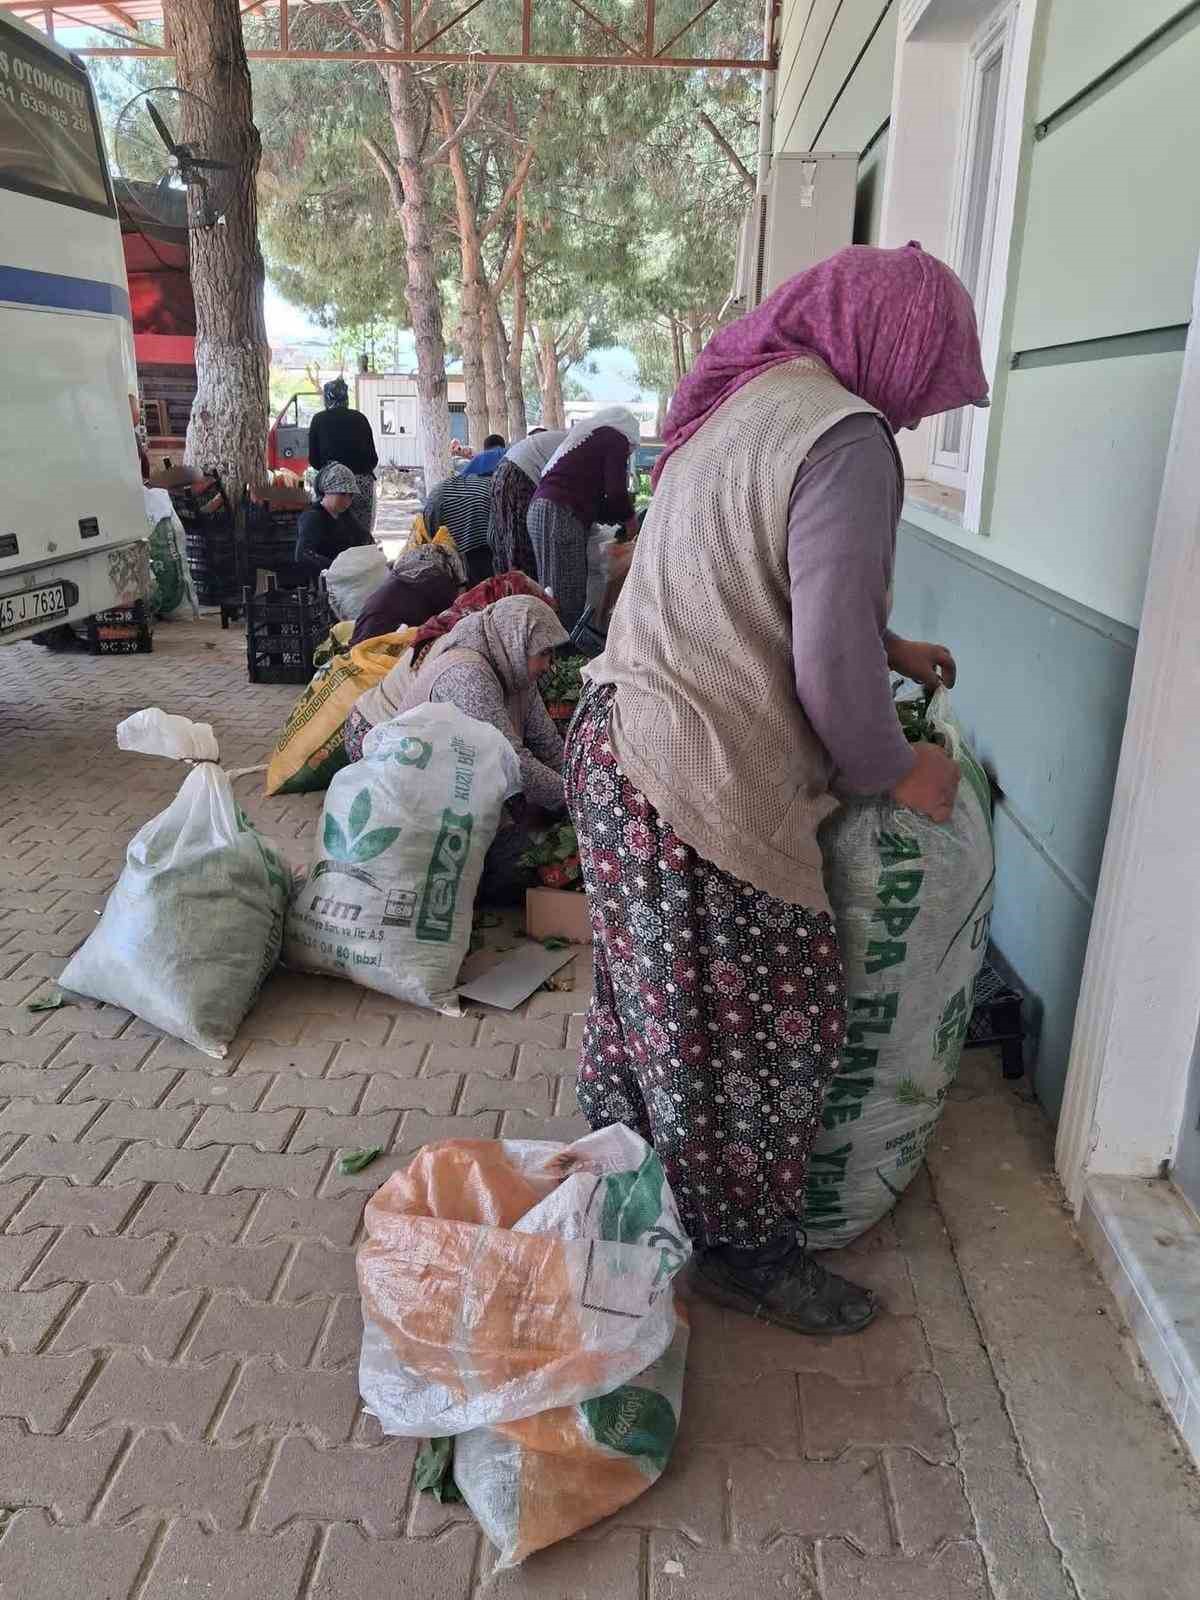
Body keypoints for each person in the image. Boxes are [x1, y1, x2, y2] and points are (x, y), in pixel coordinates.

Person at [565, 243, 986, 1337]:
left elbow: (758, 571)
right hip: (688, 771)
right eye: (932, 376)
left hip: (619, 743)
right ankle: (747, 1253)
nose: (925, 406)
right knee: (767, 1021)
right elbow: (824, 665)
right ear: (894, 346)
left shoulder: (765, 399)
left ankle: (618, 1188)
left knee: (650, 1004)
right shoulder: (848, 439)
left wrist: (888, 642)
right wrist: (902, 768)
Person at [347, 596, 569, 903]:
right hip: (417, 800)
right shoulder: (468, 676)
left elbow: (549, 745)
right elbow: (513, 761)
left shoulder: (516, 670)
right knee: (518, 866)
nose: (549, 665)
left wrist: (577, 782)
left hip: (457, 788)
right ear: (516, 641)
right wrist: (574, 799)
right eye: (544, 654)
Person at [527, 407, 640, 630]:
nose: (626, 456)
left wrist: (617, 518)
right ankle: (566, 653)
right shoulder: (615, 437)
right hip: (559, 514)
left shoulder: (590, 442)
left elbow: (595, 503)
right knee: (567, 592)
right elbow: (616, 492)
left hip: (541, 510)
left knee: (551, 590)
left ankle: (553, 649)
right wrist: (629, 518)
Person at [487, 426, 568, 577]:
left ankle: (512, 592)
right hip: (518, 476)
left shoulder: (570, 440)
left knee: (510, 546)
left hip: (505, 472)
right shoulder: (578, 444)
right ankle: (522, 594)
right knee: (521, 550)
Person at [349, 543, 464, 648]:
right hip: (380, 644)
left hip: (362, 637)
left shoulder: (400, 575)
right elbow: (454, 619)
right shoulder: (439, 583)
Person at [308, 378, 379, 532]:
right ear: (346, 397)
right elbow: (373, 458)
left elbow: (313, 460)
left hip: (331, 488)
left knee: (331, 536)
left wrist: (334, 474)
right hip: (360, 486)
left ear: (327, 398)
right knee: (360, 535)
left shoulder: (318, 420)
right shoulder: (360, 418)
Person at [294, 462, 375, 580]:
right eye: (342, 494)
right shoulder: (312, 517)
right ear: (326, 491)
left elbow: (363, 537)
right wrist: (337, 567)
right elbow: (303, 554)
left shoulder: (346, 515)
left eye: (350, 495)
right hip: (326, 582)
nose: (347, 500)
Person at [424, 462, 497, 589]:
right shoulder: (496, 489)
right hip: (462, 511)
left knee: (443, 560)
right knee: (478, 571)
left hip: (438, 498)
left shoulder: (483, 481)